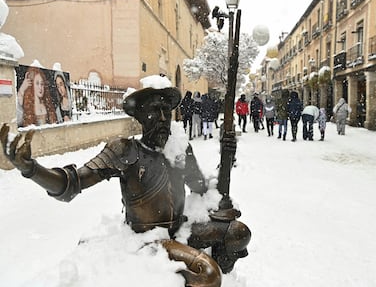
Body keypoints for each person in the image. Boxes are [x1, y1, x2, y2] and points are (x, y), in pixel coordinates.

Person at [0, 75, 250, 287]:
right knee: (208, 274)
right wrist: (31, 169)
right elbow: (71, 184)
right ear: (141, 116)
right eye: (155, 110)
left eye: (167, 111)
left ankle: (202, 271)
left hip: (181, 228)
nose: (163, 118)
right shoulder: (125, 151)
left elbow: (202, 188)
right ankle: (169, 277)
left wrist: (226, 158)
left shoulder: (178, 148)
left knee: (238, 232)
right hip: (150, 240)